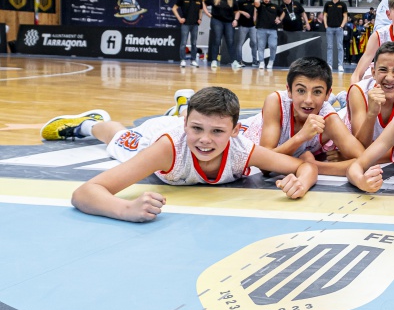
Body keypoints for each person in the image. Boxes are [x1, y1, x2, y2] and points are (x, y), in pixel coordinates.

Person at [44, 87, 317, 222]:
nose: (206, 141)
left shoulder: (242, 150)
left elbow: (304, 166)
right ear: (186, 125)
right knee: (116, 137)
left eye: (217, 132)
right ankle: (87, 123)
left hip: (184, 125)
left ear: (235, 131)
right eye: (197, 128)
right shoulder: (166, 149)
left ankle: (183, 105)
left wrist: (301, 182)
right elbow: (84, 193)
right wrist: (126, 209)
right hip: (153, 137)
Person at [239, 57, 363, 174]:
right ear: (289, 90)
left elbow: (364, 160)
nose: (308, 99)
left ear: (327, 94)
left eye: (317, 92)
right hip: (247, 131)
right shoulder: (275, 102)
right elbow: (264, 166)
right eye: (301, 90)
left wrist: (315, 166)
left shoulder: (328, 118)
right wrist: (301, 137)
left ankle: (342, 105)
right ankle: (342, 103)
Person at [345, 42, 394, 148]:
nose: (389, 78)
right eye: (383, 70)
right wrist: (371, 113)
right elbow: (359, 148)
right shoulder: (359, 91)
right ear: (373, 73)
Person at [172, 0, 203, 67]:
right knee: (183, 43)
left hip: (195, 24)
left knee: (194, 43)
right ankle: (182, 60)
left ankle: (193, 60)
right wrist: (179, 19)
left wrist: (200, 19)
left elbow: (201, 10)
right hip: (185, 24)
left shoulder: (199, 0)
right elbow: (174, 9)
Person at [205, 0, 237, 69]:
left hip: (229, 22)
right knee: (217, 40)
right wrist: (208, 14)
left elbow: (237, 12)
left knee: (230, 41)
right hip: (217, 21)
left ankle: (234, 61)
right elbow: (203, 3)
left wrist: (236, 20)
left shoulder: (232, 0)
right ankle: (214, 60)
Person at [254, 0, 285, 70]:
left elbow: (283, 13)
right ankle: (261, 62)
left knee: (273, 46)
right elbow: (256, 2)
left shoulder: (275, 6)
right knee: (261, 47)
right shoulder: (260, 6)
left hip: (272, 30)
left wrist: (280, 19)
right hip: (261, 29)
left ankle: (271, 61)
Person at [324, 0, 348, 73]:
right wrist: (326, 25)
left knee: (340, 47)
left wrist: (342, 25)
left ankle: (340, 65)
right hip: (329, 28)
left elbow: (345, 16)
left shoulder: (342, 4)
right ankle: (329, 65)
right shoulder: (327, 4)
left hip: (339, 28)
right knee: (329, 47)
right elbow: (325, 15)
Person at [233, 0, 257, 68]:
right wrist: (243, 12)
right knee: (240, 43)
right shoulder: (240, 1)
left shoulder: (253, 1)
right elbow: (235, 11)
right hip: (243, 25)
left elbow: (255, 9)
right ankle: (239, 60)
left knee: (254, 42)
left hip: (252, 26)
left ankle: (255, 61)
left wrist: (254, 16)